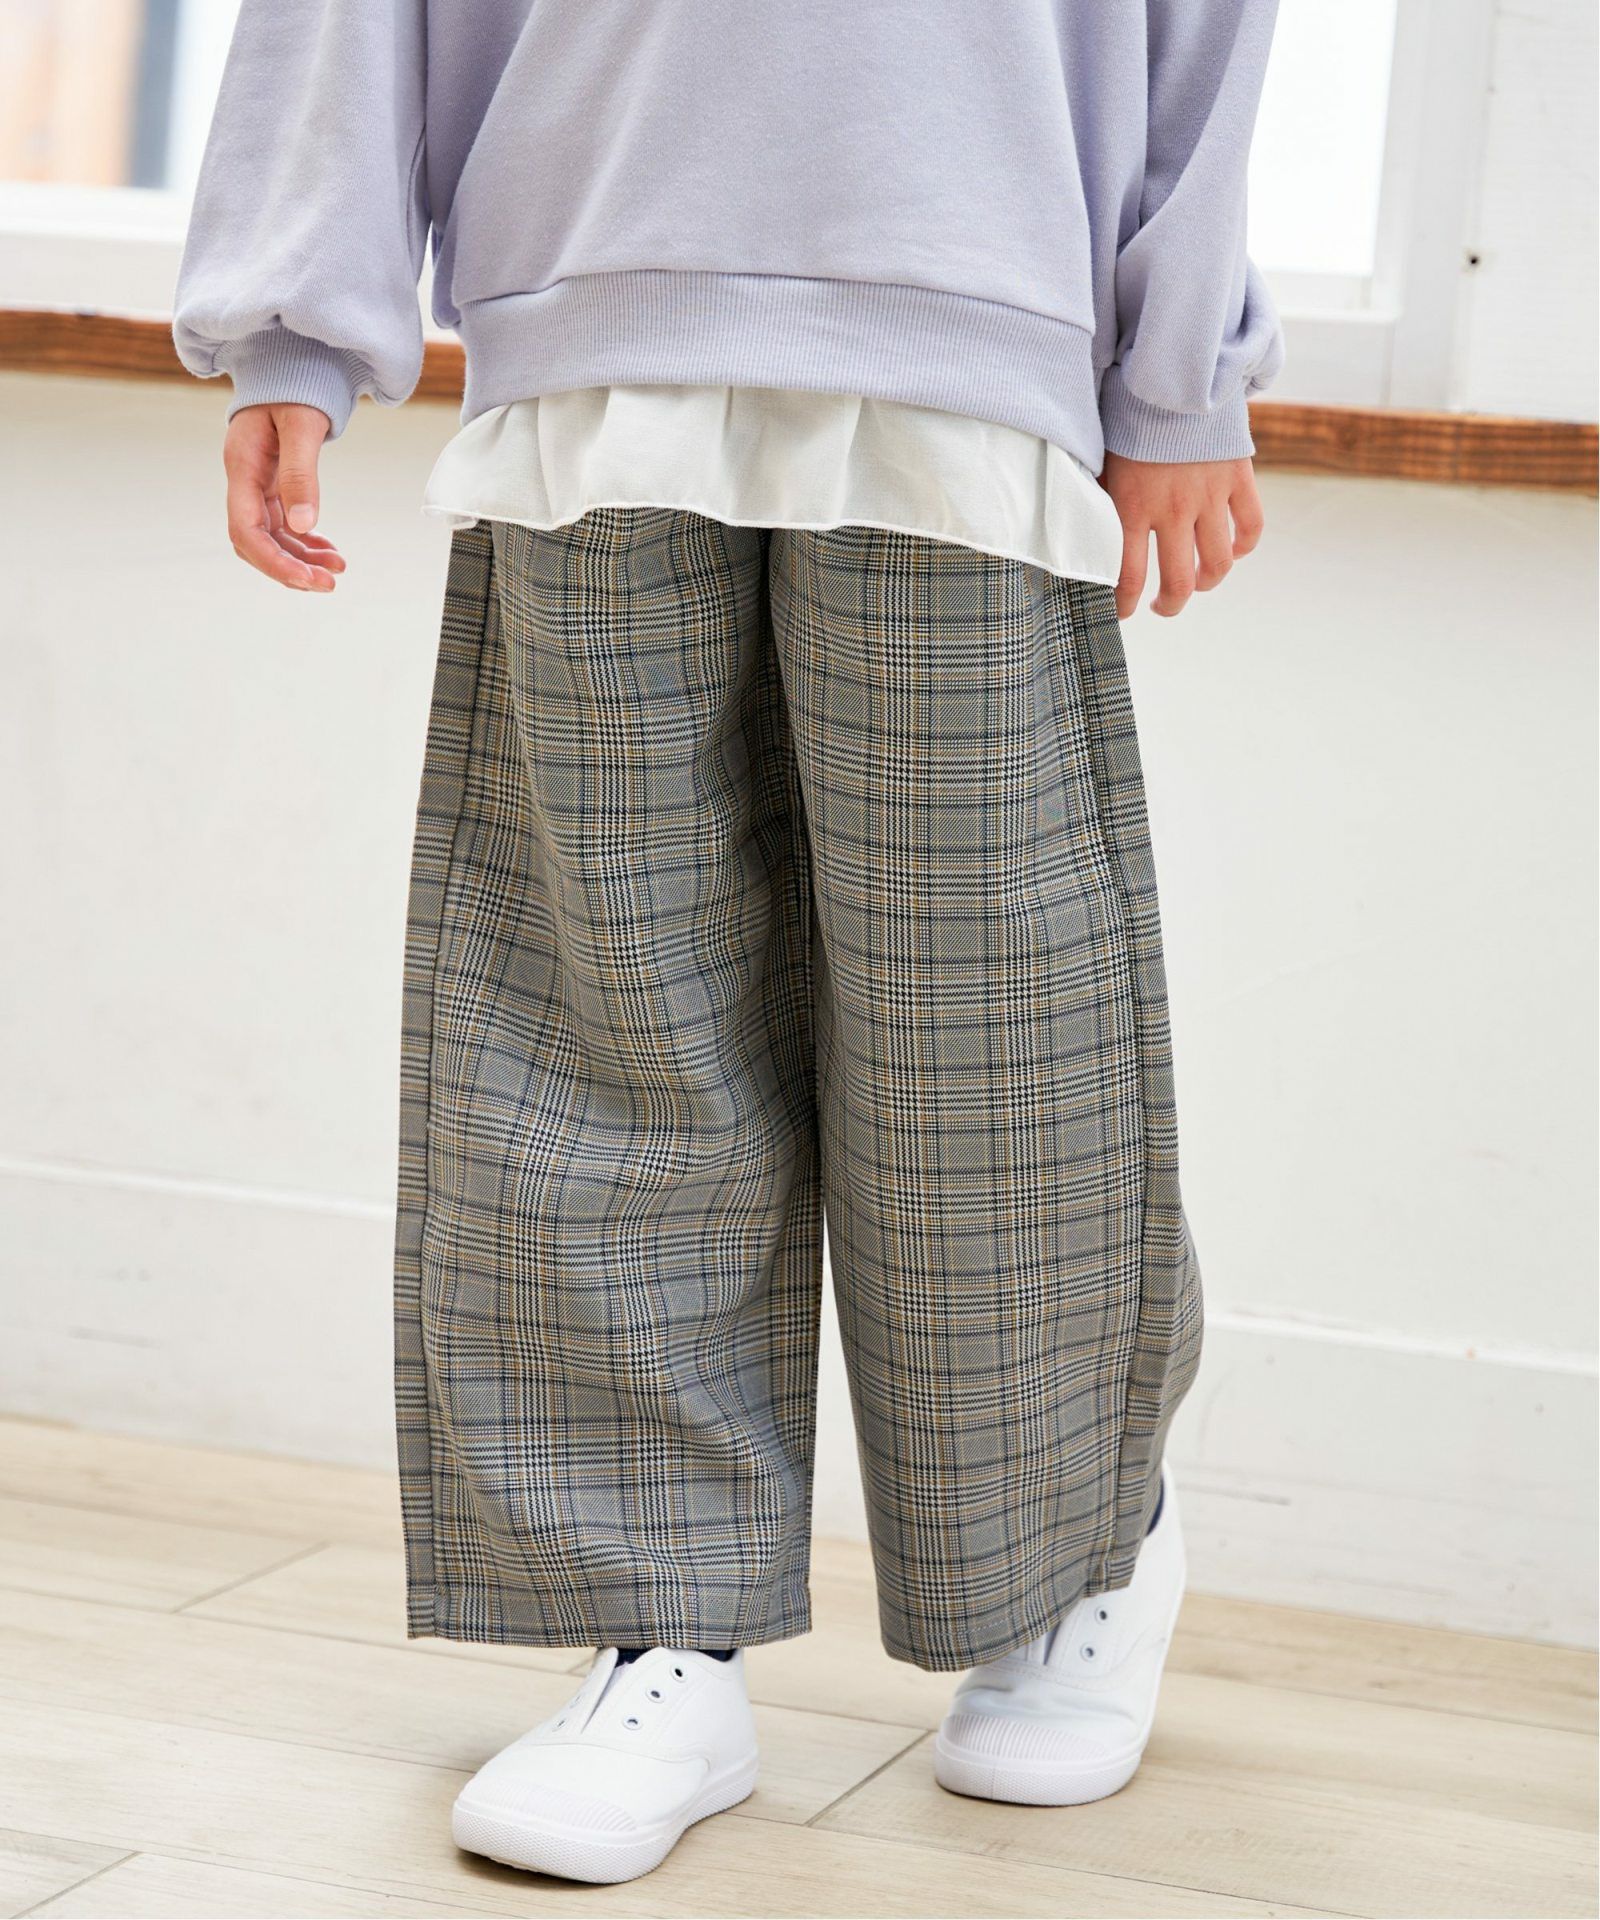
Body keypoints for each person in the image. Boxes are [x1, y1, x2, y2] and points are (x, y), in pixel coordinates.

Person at [173, 0, 1283, 1887]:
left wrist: (1180, 367)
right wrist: (297, 312)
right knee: (609, 1025)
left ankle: (1074, 1552)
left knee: (986, 1031)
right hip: (593, 295)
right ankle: (657, 1623)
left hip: (974, 296)